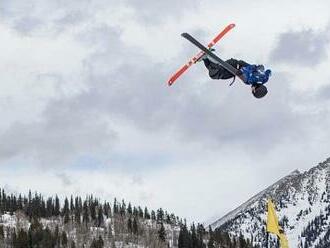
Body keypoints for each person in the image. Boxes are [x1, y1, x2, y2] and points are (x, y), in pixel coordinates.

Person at [201, 55, 271, 98]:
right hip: (235, 65)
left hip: (235, 70)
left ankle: (205, 58)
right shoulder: (249, 80)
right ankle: (207, 56)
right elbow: (250, 70)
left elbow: (268, 71)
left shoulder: (264, 79)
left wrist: (263, 70)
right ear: (257, 88)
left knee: (217, 75)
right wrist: (246, 70)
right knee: (216, 74)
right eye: (253, 90)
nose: (251, 89)